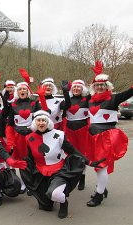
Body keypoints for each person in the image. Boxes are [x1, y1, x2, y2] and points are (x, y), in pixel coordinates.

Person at [20, 110, 104, 218]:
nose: (41, 123)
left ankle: (63, 203)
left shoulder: (58, 135)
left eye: (44, 120)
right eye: (39, 120)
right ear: (35, 123)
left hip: (58, 171)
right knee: (46, 206)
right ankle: (51, 196)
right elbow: (30, 158)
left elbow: (72, 150)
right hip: (41, 173)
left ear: (48, 122)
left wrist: (89, 162)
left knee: (56, 194)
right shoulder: (29, 138)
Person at [86, 61, 133, 207]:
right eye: (97, 85)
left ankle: (99, 195)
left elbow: (129, 92)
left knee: (101, 166)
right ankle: (102, 188)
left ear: (108, 86)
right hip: (93, 137)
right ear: (93, 87)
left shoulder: (113, 99)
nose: (100, 87)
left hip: (106, 137)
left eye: (103, 84)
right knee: (98, 166)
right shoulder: (90, 100)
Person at [61, 79, 90, 190]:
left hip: (83, 130)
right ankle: (73, 176)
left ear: (83, 89)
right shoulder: (66, 100)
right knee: (70, 154)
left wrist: (96, 76)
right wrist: (65, 92)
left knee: (82, 154)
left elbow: (95, 94)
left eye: (79, 87)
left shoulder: (86, 99)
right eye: (74, 87)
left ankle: (82, 177)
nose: (76, 89)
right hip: (69, 130)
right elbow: (65, 107)